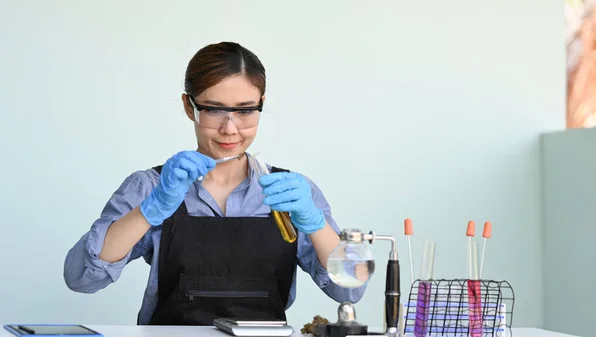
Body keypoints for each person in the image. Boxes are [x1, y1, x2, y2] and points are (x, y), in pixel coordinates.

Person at [63, 41, 368, 326]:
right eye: (213, 109)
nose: (230, 128)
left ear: (261, 105)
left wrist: (315, 224)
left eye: (245, 110)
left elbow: (351, 291)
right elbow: (81, 278)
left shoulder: (292, 192)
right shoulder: (151, 186)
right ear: (189, 107)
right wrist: (149, 210)